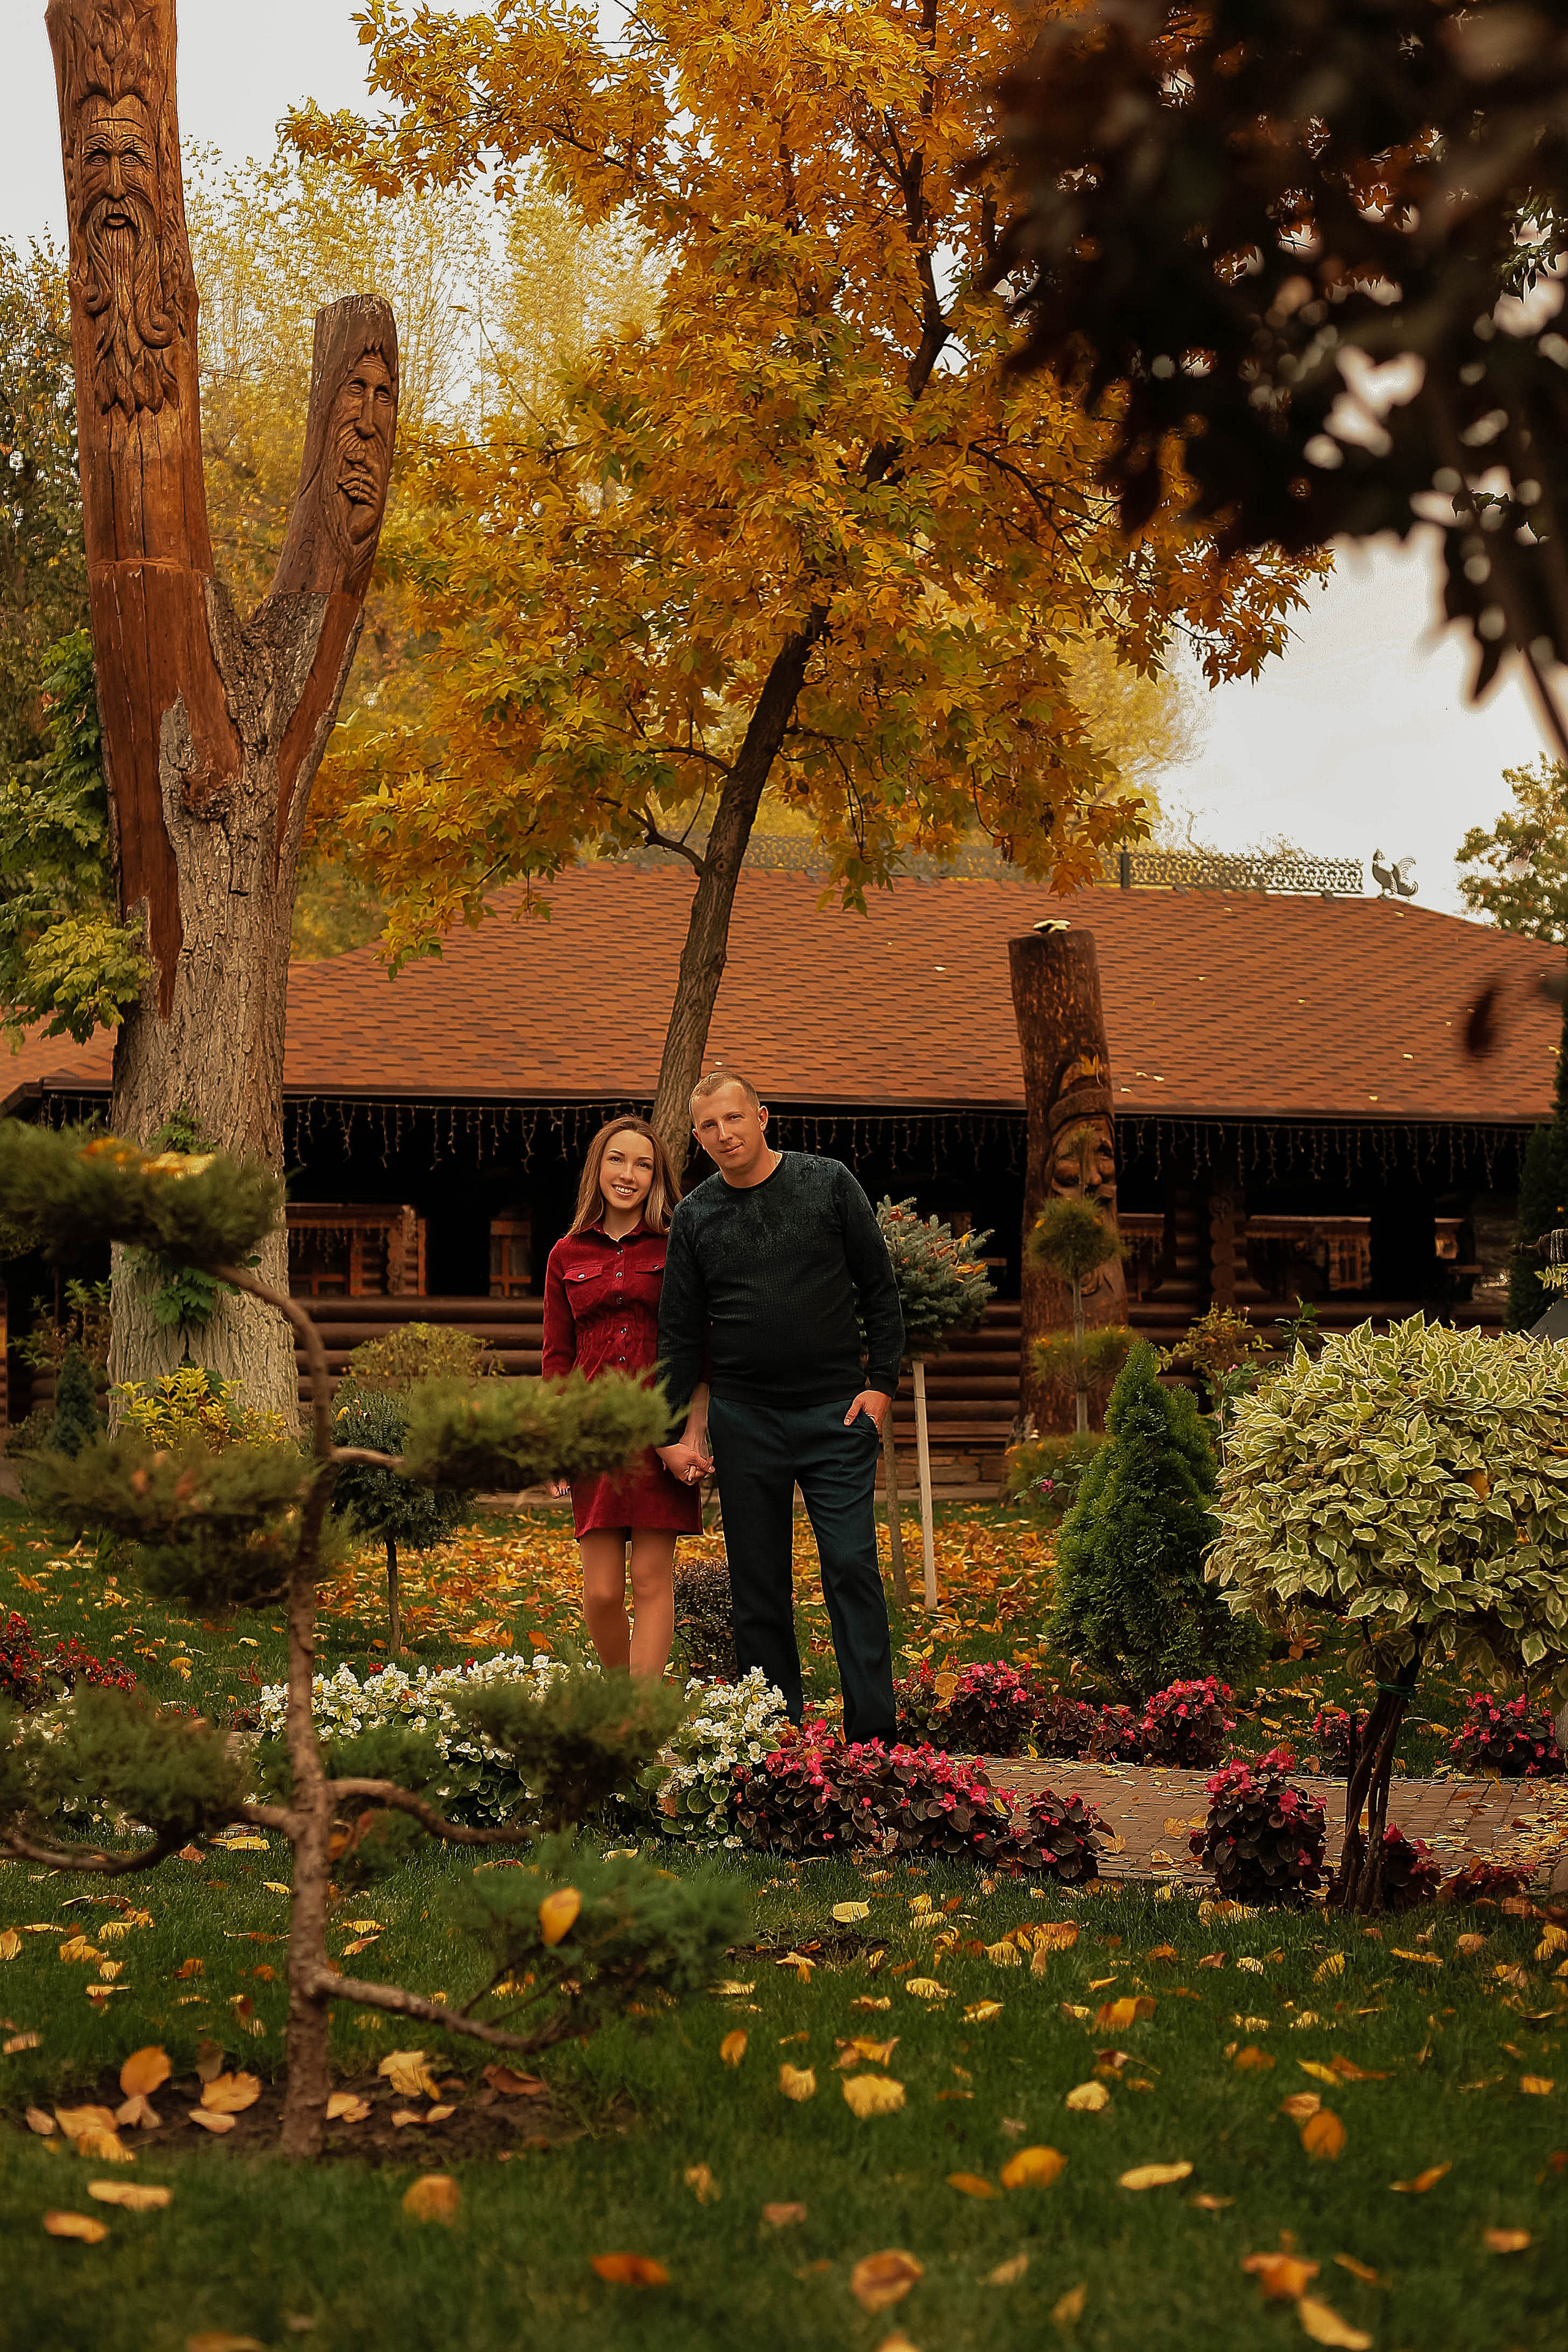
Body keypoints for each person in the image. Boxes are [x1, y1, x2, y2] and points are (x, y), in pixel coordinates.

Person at [655, 1071, 904, 1742]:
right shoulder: (698, 1215)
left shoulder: (827, 1183)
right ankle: (776, 1739)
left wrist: (882, 1384)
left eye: (734, 1118)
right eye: (709, 1126)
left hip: (836, 1415)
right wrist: (669, 1432)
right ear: (696, 1136)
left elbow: (879, 1289)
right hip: (745, 1421)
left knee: (851, 1567)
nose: (724, 1134)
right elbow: (680, 1332)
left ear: (762, 1116)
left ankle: (875, 1742)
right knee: (758, 1587)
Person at [543, 1117, 710, 1679]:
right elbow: (556, 1359)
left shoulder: (676, 1245)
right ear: (599, 1167)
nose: (629, 1174)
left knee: (650, 1581)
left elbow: (698, 1347)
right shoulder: (565, 1254)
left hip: (660, 1431)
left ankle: (639, 1717)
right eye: (618, 1159)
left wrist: (691, 1433)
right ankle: (619, 1693)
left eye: (643, 1164)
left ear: (656, 1177)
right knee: (603, 1592)